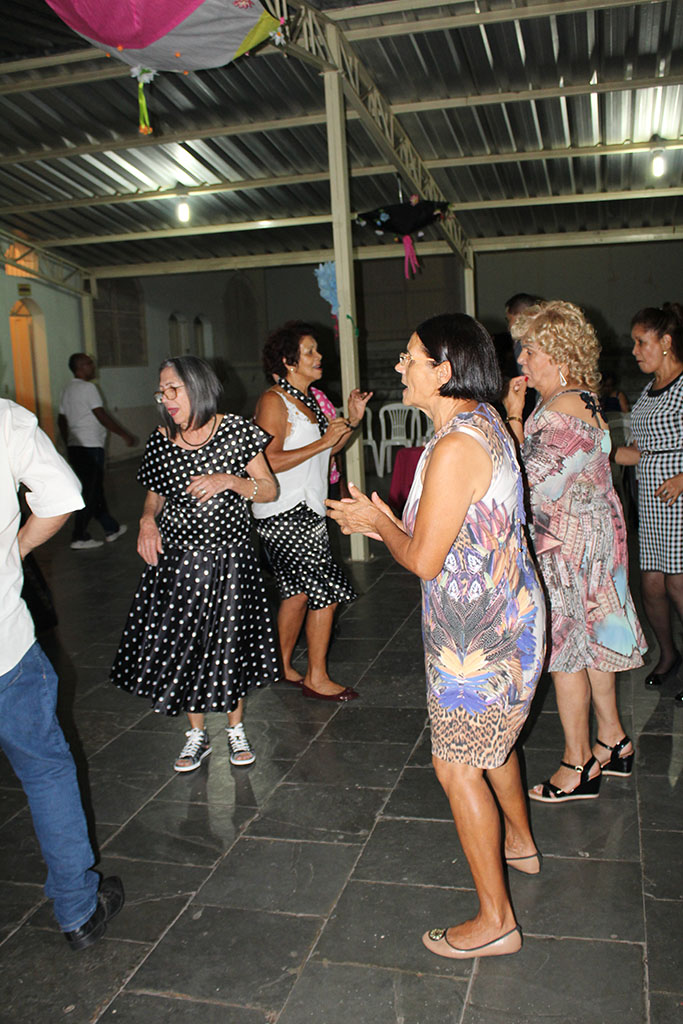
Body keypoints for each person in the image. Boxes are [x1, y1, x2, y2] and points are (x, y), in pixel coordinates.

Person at [328, 314, 546, 960]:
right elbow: (449, 530)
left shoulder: (456, 446)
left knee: (456, 766)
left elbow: (424, 560)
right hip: (498, 616)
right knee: (491, 745)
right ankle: (520, 844)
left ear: (444, 371)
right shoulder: (477, 423)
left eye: (410, 357)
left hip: (478, 636)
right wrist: (384, 521)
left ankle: (496, 921)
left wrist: (379, 526)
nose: (400, 367)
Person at [504, 300, 647, 801]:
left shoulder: (560, 410)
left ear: (558, 354)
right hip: (595, 541)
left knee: (566, 653)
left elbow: (527, 483)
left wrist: (513, 417)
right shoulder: (582, 397)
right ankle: (613, 740)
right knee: (595, 648)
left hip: (568, 549)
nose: (521, 359)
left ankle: (578, 763)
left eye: (530, 350)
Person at [110, 356, 279, 771]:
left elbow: (268, 489)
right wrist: (147, 519)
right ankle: (196, 735)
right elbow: (155, 493)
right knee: (186, 644)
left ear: (199, 387)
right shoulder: (162, 438)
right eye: (161, 392)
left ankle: (235, 729)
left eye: (173, 389)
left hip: (231, 561)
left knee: (229, 643)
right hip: (179, 563)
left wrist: (230, 481)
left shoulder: (236, 430)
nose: (166, 399)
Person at [0, 398, 124, 950]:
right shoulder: (5, 420)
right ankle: (77, 911)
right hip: (4, 648)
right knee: (45, 769)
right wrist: (15, 549)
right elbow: (63, 496)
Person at [253, 321, 372, 702]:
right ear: (288, 362)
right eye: (309, 352)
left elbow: (328, 451)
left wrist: (352, 420)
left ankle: (280, 665)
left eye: (317, 350)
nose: (319, 356)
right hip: (284, 511)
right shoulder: (275, 401)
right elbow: (267, 460)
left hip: (306, 507)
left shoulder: (309, 398)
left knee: (297, 594)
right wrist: (322, 442)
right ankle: (316, 677)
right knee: (326, 591)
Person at [614, 303, 683, 703]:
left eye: (642, 342)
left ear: (666, 341)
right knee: (652, 584)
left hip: (679, 499)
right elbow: (638, 452)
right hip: (652, 500)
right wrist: (593, 447)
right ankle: (669, 654)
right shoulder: (648, 390)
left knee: (677, 583)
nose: (635, 350)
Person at [58, 352, 135, 550]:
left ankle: (111, 528)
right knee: (90, 492)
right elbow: (100, 415)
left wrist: (68, 442)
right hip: (91, 446)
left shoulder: (67, 389)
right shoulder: (89, 388)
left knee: (95, 489)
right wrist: (124, 434)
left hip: (76, 446)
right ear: (79, 367)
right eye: (88, 363)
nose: (93, 366)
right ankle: (79, 536)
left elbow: (61, 419)